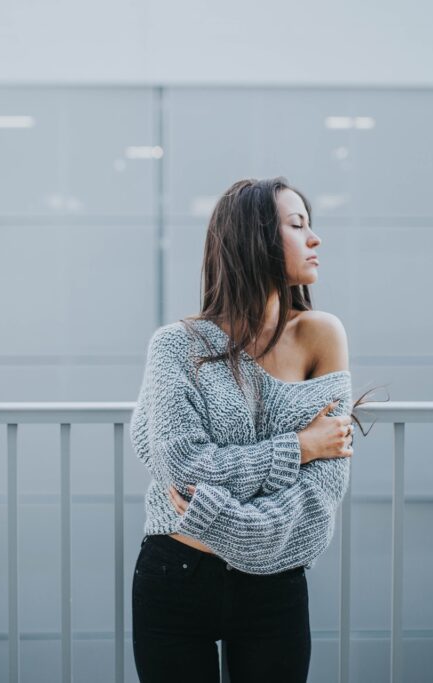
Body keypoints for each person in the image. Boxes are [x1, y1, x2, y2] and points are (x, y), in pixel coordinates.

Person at [130, 177, 375, 683]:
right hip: (177, 574)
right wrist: (298, 447)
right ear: (255, 238)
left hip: (275, 584)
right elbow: (183, 468)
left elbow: (321, 496)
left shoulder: (321, 335)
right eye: (297, 224)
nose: (315, 239)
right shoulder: (176, 345)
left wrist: (216, 515)